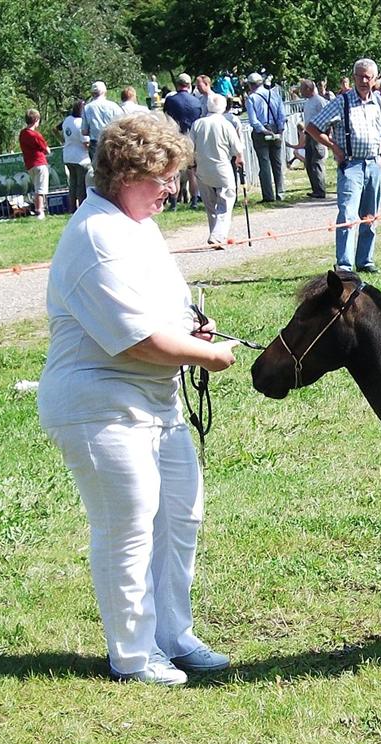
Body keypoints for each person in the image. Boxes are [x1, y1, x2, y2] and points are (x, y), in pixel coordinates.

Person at [37, 112, 238, 687]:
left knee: (181, 515)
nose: (172, 188)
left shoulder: (138, 226)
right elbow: (139, 340)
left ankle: (172, 635)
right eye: (163, 178)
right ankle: (132, 653)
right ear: (127, 174)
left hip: (155, 400)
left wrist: (195, 328)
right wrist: (207, 356)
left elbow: (165, 314)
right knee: (128, 525)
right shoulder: (95, 236)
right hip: (100, 403)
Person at [306, 58, 381, 273]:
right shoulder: (342, 102)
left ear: (374, 79)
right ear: (354, 78)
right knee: (347, 215)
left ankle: (365, 260)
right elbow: (313, 127)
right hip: (351, 166)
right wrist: (334, 147)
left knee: (370, 215)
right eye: (359, 76)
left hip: (374, 165)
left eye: (367, 77)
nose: (363, 80)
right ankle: (344, 265)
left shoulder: (379, 102)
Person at [190, 93, 243, 247]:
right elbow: (237, 149)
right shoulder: (226, 124)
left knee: (210, 204)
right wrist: (240, 159)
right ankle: (218, 236)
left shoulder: (197, 124)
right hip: (222, 168)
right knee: (226, 201)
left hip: (202, 169)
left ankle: (215, 235)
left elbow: (189, 146)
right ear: (224, 107)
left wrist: (192, 164)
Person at [245, 72, 286, 202]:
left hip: (261, 133)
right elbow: (281, 115)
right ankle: (281, 192)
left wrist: (263, 130)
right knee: (277, 163)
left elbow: (253, 120)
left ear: (251, 85)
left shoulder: (251, 98)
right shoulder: (274, 95)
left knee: (264, 164)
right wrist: (279, 129)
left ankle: (268, 195)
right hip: (275, 129)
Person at [163, 73, 203, 206]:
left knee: (175, 171)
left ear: (177, 85)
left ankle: (174, 202)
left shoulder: (171, 100)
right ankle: (194, 201)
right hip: (191, 139)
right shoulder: (196, 101)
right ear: (189, 85)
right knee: (192, 171)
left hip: (177, 137)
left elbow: (166, 117)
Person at [298, 79, 329, 198]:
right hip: (309, 134)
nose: (300, 91)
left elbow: (327, 117)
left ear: (308, 89)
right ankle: (315, 189)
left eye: (302, 89)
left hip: (317, 134)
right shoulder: (308, 102)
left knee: (317, 161)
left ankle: (320, 190)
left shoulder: (319, 101)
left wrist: (325, 133)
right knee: (309, 162)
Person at [19, 108, 50, 219]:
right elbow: (46, 150)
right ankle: (40, 211)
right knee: (41, 189)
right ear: (36, 120)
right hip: (40, 162)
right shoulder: (36, 135)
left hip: (29, 164)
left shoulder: (22, 133)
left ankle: (38, 209)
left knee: (37, 187)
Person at [81, 81, 123, 163]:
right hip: (112, 141)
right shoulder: (114, 106)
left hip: (95, 144)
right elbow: (122, 125)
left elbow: (84, 131)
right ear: (105, 92)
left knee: (98, 170)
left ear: (92, 93)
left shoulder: (87, 108)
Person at [61, 100, 90, 212]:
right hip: (81, 158)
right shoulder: (80, 123)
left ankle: (72, 207)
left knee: (72, 184)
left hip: (68, 156)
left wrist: (63, 141)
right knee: (81, 184)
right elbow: (85, 142)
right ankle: (82, 207)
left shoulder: (67, 120)